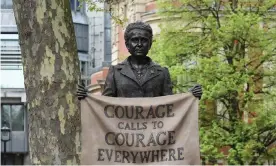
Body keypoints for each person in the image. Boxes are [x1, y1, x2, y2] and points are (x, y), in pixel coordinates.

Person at [77, 21, 202, 99]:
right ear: (127, 44)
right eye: (135, 40)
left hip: (154, 134)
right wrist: (87, 98)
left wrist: (189, 96)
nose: (139, 44)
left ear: (150, 44)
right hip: (124, 135)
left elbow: (170, 106)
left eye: (144, 40)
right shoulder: (115, 72)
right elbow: (106, 105)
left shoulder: (162, 73)